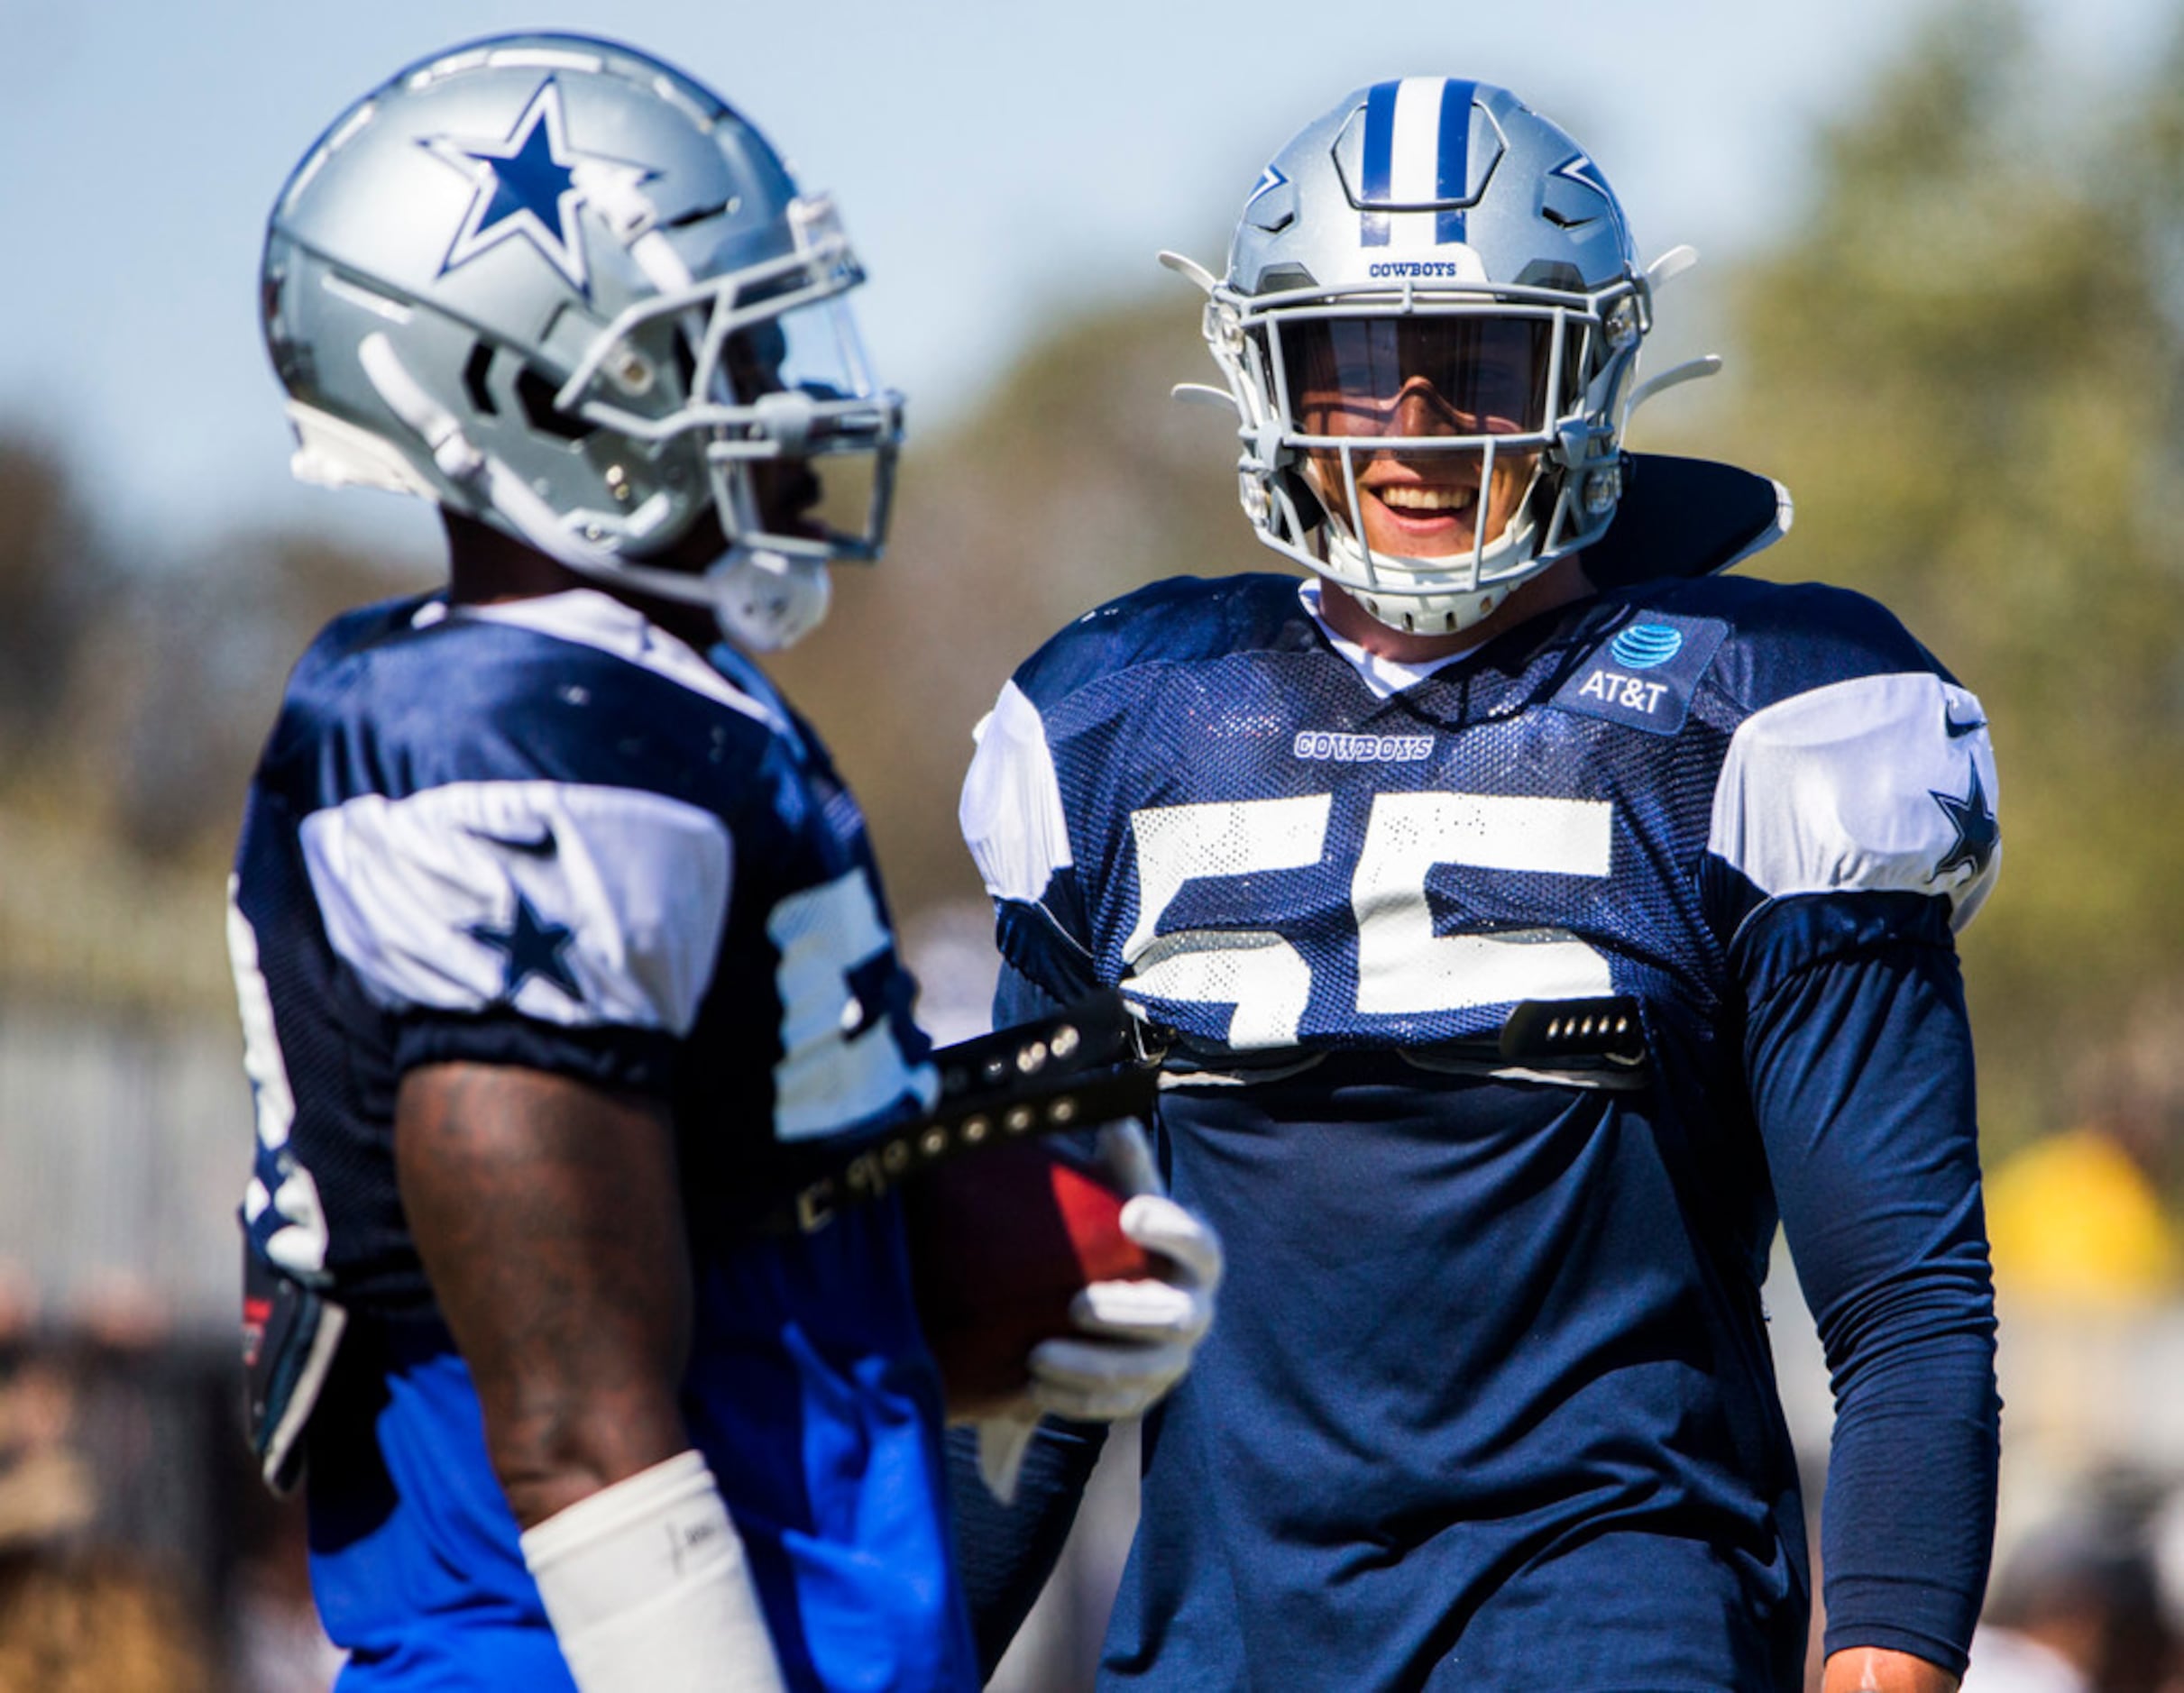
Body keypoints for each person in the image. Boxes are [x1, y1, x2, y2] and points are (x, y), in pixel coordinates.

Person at [951, 78, 2001, 1692]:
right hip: (1223, 1647)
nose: (1419, 424)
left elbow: (1905, 1309)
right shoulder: (1115, 718)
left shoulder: (1764, 710)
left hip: (1608, 1620)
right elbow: (1043, 1315)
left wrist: (1882, 1659)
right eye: (1355, 366)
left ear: (1590, 370)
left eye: (1485, 362)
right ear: (1263, 374)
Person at [231, 33, 1215, 1691]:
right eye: (713, 343)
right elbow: (569, 1410)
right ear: (531, 391)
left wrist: (938, 1292)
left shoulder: (626, 697)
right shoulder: (508, 735)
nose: (777, 389)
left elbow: (690, 1240)